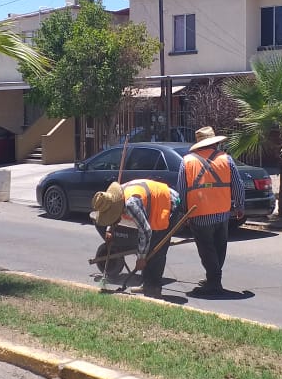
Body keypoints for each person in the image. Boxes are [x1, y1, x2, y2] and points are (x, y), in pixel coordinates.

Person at [177, 126, 244, 296]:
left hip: (199, 213)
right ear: (214, 143)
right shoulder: (226, 159)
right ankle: (213, 278)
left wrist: (184, 212)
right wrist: (239, 206)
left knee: (207, 249)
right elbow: (238, 185)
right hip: (222, 212)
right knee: (219, 247)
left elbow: (182, 190)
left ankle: (214, 282)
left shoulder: (187, 161)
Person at [91, 179, 181, 299]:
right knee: (148, 248)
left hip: (168, 204)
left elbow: (145, 231)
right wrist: (109, 229)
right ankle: (146, 284)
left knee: (156, 250)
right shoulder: (115, 196)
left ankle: (154, 289)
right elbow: (113, 213)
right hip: (154, 203)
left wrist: (141, 258)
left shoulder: (131, 204)